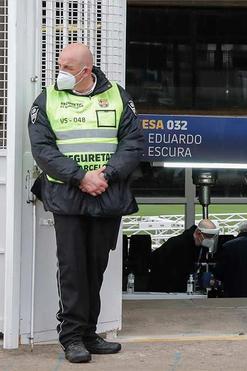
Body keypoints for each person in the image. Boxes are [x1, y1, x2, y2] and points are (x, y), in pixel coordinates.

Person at [28, 43, 144, 363]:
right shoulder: (47, 100)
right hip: (67, 195)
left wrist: (106, 174)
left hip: (106, 193)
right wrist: (82, 177)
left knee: (95, 267)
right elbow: (43, 150)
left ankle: (90, 332)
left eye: (68, 67)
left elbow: (132, 143)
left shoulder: (119, 97)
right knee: (72, 268)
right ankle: (72, 337)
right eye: (60, 65)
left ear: (87, 71)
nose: (61, 72)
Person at [149, 219, 219, 293]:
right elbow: (157, 264)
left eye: (212, 236)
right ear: (198, 233)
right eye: (209, 236)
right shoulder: (175, 243)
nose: (211, 239)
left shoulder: (203, 247)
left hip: (186, 287)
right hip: (166, 289)